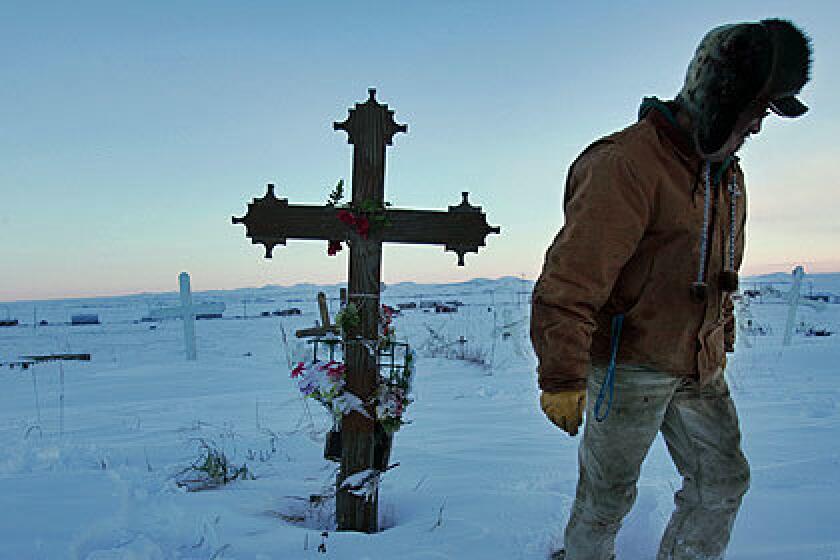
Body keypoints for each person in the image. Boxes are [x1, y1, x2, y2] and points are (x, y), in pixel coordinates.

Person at [530, 19, 812, 560]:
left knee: (723, 481)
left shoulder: (727, 174)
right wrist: (562, 374)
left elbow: (723, 265)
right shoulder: (625, 165)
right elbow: (571, 278)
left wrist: (720, 332)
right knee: (606, 499)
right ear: (718, 97)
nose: (757, 126)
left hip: (697, 364)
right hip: (628, 366)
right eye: (754, 108)